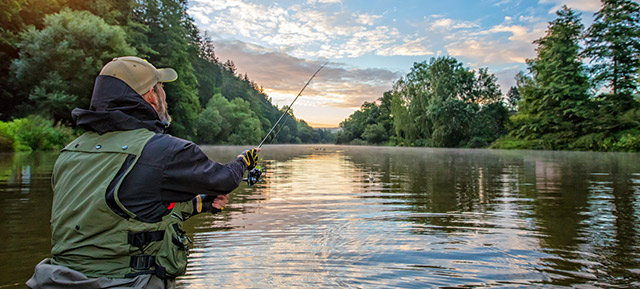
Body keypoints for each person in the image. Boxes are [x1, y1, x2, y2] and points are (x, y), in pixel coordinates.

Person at [26, 56, 259, 289]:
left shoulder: (69, 153)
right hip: (128, 282)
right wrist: (242, 162)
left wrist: (199, 204)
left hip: (56, 279)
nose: (164, 96)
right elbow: (224, 180)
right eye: (161, 89)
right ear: (150, 95)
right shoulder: (165, 151)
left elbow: (121, 209)